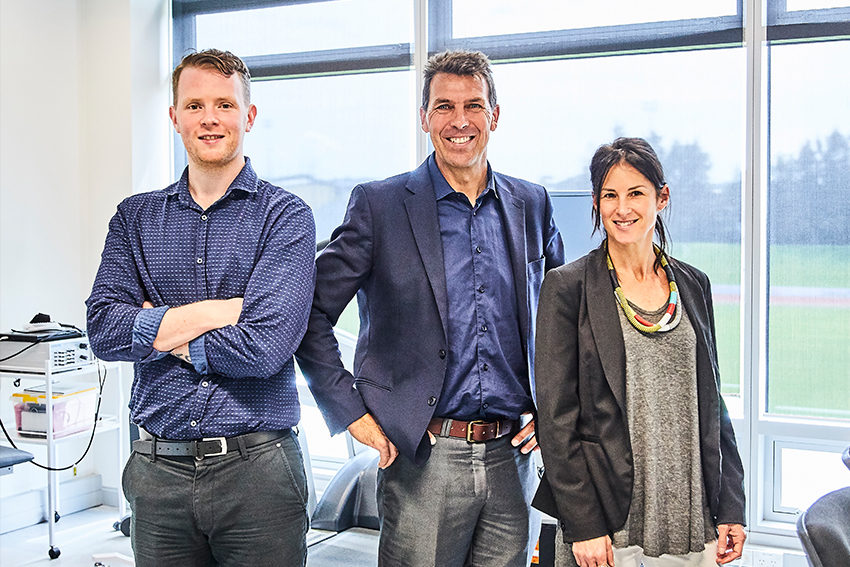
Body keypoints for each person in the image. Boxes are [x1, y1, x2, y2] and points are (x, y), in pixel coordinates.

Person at [296, 49, 564, 566]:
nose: (459, 120)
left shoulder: (532, 204)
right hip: (423, 457)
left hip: (515, 462)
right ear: (424, 118)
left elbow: (562, 322)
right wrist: (351, 413)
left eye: (473, 105)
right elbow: (308, 313)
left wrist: (549, 408)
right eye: (443, 106)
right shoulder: (380, 206)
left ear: (495, 115)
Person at [86, 49, 316, 567]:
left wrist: (155, 326)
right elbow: (102, 329)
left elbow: (264, 348)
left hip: (259, 471)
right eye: (193, 105)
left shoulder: (285, 216)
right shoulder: (135, 218)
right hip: (156, 472)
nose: (209, 118)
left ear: (248, 116)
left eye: (224, 104)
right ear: (174, 118)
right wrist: (224, 311)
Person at [532, 137, 747, 567]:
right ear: (596, 203)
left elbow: (714, 402)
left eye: (636, 193)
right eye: (610, 195)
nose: (622, 208)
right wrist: (584, 523)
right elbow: (555, 420)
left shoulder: (693, 285)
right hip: (607, 524)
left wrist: (732, 505)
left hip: (691, 518)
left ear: (661, 198)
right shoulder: (567, 287)